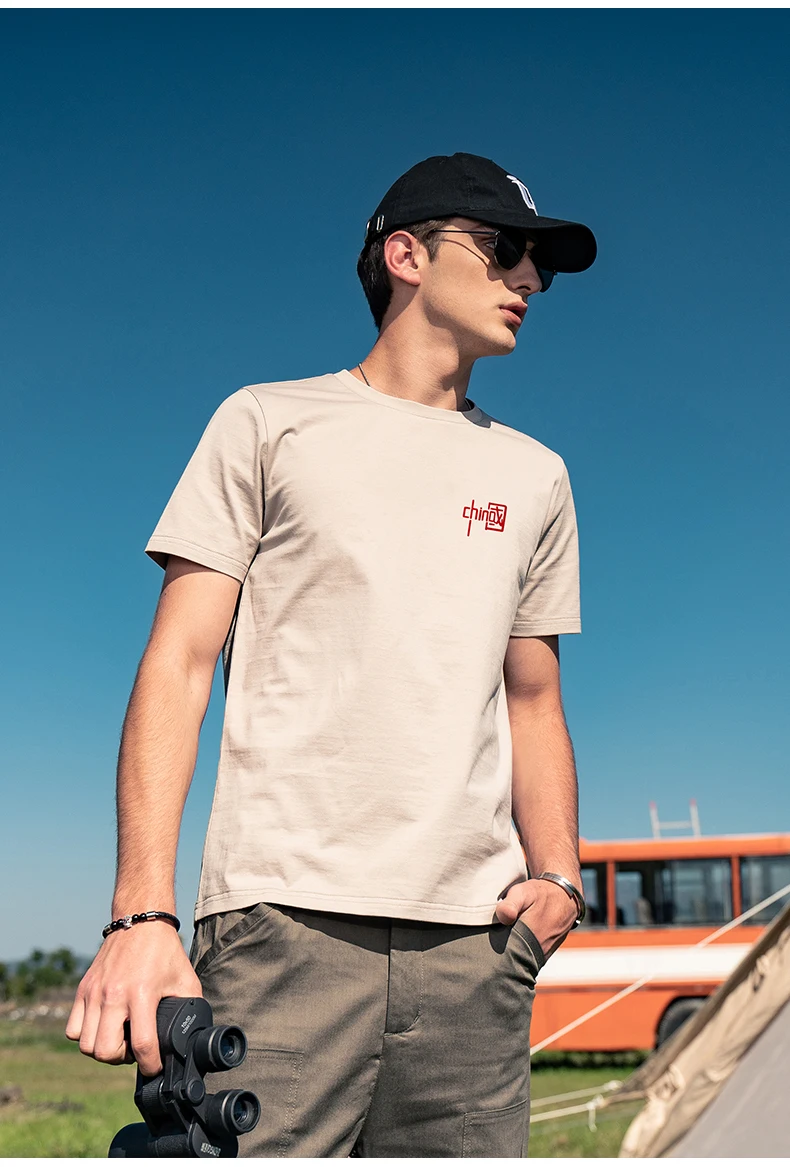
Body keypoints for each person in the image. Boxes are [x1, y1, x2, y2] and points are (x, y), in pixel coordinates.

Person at [66, 152, 596, 1157]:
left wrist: (561, 879)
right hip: (282, 930)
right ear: (406, 256)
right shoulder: (267, 423)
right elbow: (179, 661)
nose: (528, 278)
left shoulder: (537, 476)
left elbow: (533, 700)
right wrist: (141, 915)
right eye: (503, 249)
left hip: (477, 949)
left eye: (540, 264)